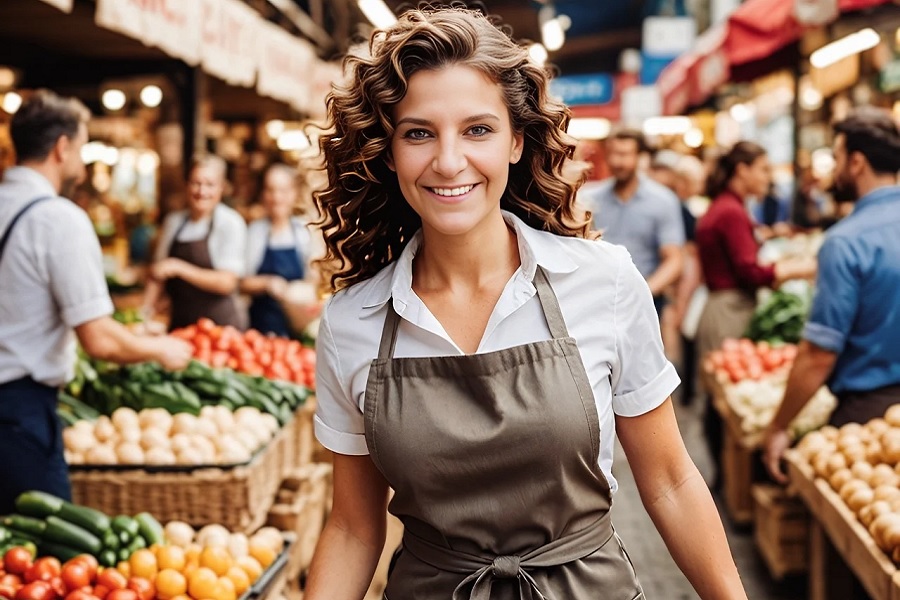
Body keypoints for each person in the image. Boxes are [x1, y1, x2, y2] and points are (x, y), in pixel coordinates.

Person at [305, 8, 747, 599]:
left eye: (477, 130)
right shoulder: (350, 322)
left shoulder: (603, 281)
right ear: (389, 153)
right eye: (418, 133)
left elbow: (668, 481)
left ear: (517, 140)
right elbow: (354, 527)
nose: (448, 161)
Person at [0, 90, 193, 512]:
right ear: (62, 147)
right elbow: (100, 342)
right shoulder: (59, 218)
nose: (83, 164)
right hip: (18, 416)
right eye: (82, 149)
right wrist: (159, 348)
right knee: (38, 554)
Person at [764, 108, 900, 483]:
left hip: (871, 418)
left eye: (837, 158)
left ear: (856, 162)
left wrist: (778, 427)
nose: (833, 170)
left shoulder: (846, 241)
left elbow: (818, 354)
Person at [695, 142, 814, 483]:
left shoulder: (728, 207)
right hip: (729, 309)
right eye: (763, 168)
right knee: (722, 402)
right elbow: (750, 271)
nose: (768, 177)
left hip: (723, 305)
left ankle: (724, 478)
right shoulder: (731, 211)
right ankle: (726, 480)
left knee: (720, 399)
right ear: (742, 170)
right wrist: (798, 268)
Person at [585, 129, 685, 316]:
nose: (616, 162)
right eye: (612, 154)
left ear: (640, 157)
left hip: (647, 301)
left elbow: (674, 259)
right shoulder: (588, 199)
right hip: (599, 301)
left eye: (624, 155)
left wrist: (643, 292)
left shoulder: (662, 200)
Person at [142, 156, 247, 331]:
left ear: (221, 188)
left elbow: (227, 282)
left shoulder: (230, 223)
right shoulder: (173, 222)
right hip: (180, 324)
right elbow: (159, 273)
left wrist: (179, 268)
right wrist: (144, 314)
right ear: (186, 185)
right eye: (196, 183)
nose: (201, 191)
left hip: (220, 329)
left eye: (209, 184)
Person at [241, 163, 320, 337]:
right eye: (270, 190)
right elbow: (241, 283)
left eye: (283, 191)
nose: (276, 197)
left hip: (299, 327)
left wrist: (304, 288)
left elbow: (314, 278)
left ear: (294, 194)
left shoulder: (303, 230)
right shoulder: (255, 231)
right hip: (262, 327)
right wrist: (268, 283)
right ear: (263, 194)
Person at [670, 154, 708, 405]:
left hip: (687, 273)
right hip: (685, 275)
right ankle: (683, 384)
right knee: (683, 324)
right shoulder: (677, 208)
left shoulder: (682, 206)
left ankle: (686, 385)